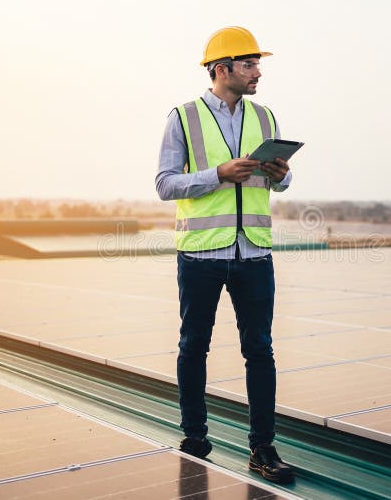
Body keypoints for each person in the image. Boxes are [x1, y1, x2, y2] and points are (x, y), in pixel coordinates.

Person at [155, 26, 294, 484]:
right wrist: (218, 174)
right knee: (193, 347)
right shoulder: (183, 117)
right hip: (201, 255)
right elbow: (165, 184)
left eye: (257, 64)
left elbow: (281, 184)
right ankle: (195, 439)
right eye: (249, 64)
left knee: (260, 351)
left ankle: (263, 448)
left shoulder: (266, 117)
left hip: (254, 253)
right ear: (222, 69)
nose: (258, 73)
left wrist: (280, 174)